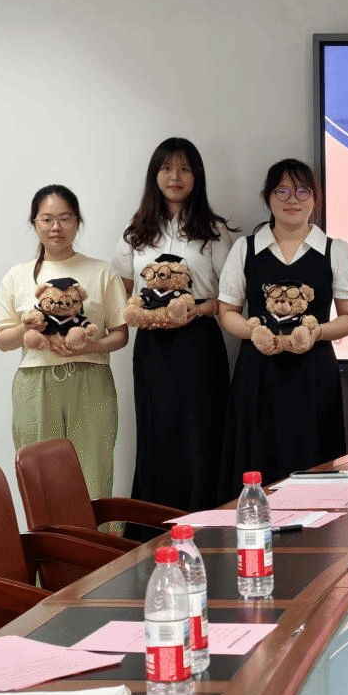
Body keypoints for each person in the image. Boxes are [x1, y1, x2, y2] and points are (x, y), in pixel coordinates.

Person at [216, 159, 348, 500]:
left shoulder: (334, 249)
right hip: (257, 373)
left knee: (313, 464)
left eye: (302, 191)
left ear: (315, 198)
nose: (292, 199)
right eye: (282, 191)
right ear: (267, 197)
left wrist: (316, 333)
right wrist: (254, 333)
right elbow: (227, 312)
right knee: (255, 461)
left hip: (313, 373)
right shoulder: (246, 248)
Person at [114, 137, 234, 513]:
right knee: (156, 433)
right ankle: (152, 525)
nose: (175, 177)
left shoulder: (213, 230)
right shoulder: (136, 230)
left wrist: (197, 310)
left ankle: (203, 520)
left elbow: (231, 298)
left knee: (200, 435)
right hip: (152, 347)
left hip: (198, 343)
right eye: (166, 168)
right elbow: (122, 290)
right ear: (155, 175)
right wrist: (140, 311)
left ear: (197, 175)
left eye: (184, 169)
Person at [0, 185, 128, 499]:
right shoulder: (17, 276)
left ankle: (99, 534)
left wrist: (92, 346)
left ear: (77, 222)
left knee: (94, 475)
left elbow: (121, 334)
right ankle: (47, 535)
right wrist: (25, 330)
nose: (56, 227)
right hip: (35, 383)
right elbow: (2, 340)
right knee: (40, 477)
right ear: (34, 223)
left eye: (65, 218)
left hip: (91, 380)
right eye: (47, 219)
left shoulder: (101, 272)